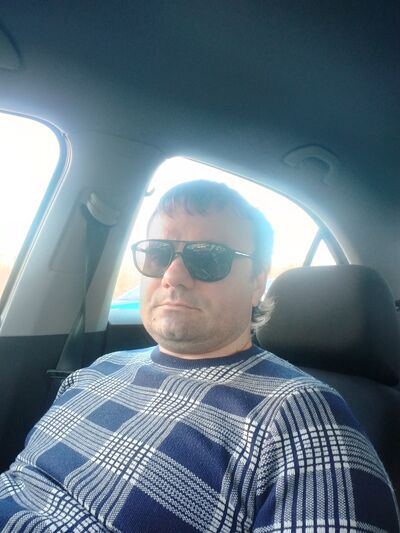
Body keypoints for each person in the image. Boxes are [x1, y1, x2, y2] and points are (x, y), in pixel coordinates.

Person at [0, 180, 398, 532]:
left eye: (209, 257)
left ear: (257, 283)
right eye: (158, 254)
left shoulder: (301, 416)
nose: (172, 275)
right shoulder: (101, 368)